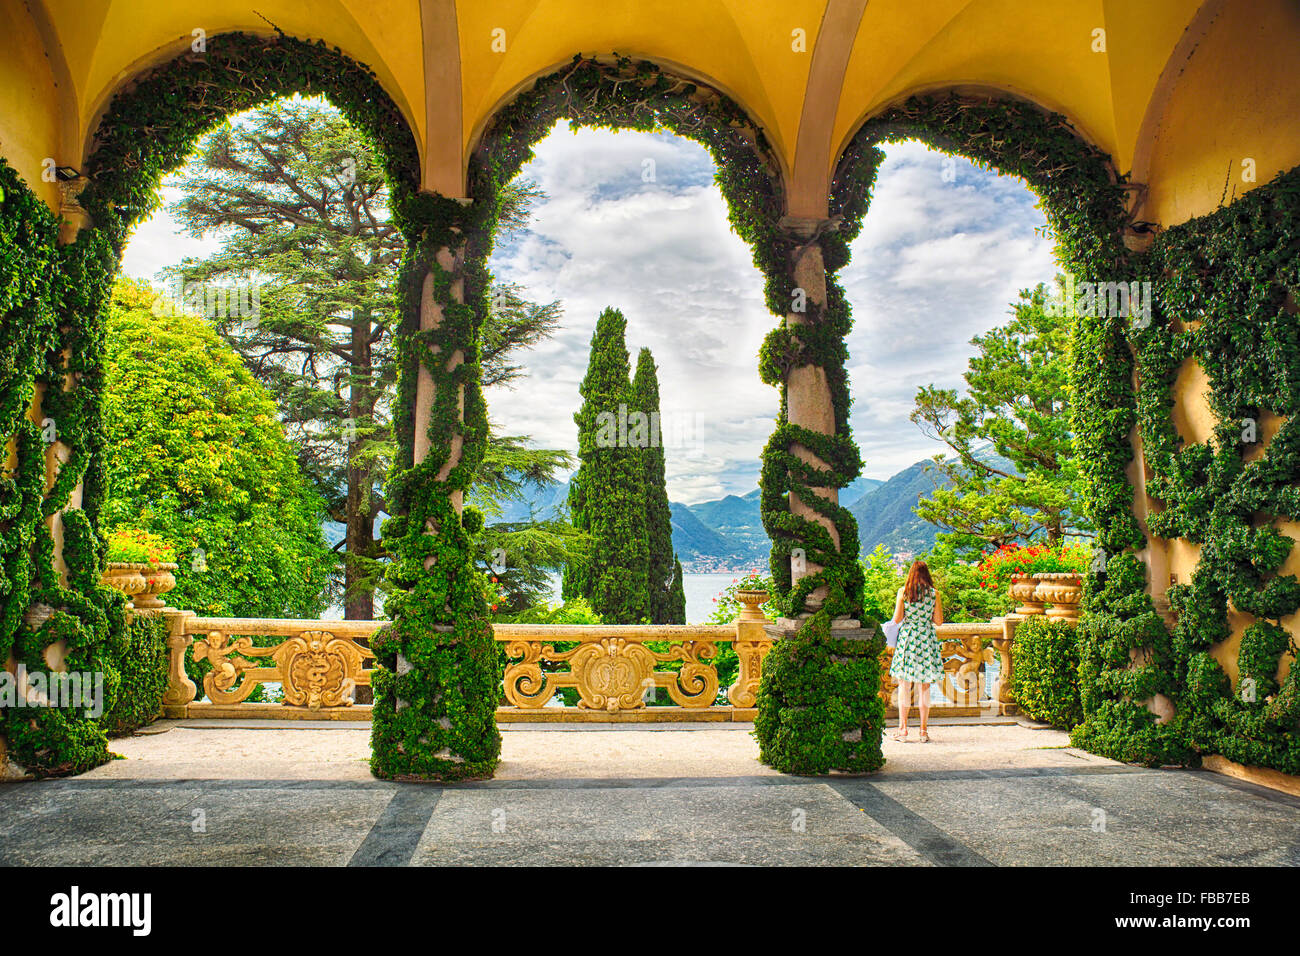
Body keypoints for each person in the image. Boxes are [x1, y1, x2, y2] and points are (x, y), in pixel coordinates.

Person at [887, 560, 944, 742]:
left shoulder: (903, 592)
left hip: (908, 639)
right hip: (926, 639)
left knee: (905, 686)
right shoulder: (934, 594)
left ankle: (903, 729)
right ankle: (923, 731)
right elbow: (939, 621)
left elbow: (897, 619)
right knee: (924, 687)